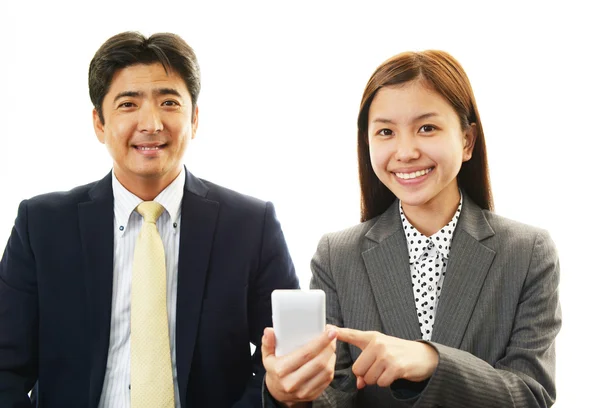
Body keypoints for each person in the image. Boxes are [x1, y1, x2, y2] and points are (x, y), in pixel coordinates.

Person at [0, 31, 299, 408]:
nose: (152, 123)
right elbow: (5, 370)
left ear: (194, 119)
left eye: (169, 102)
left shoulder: (251, 225)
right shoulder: (41, 226)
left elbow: (290, 352)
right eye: (128, 104)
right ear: (99, 123)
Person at [261, 50, 561, 407]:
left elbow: (531, 397)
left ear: (467, 140)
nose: (405, 151)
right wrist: (289, 395)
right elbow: (334, 397)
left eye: (427, 128)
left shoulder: (527, 252)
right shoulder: (337, 256)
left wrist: (430, 360)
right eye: (386, 131)